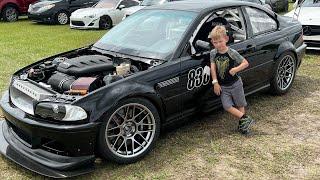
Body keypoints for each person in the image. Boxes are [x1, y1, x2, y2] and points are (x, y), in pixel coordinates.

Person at [209, 25, 254, 134]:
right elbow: (213, 68)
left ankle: (243, 126)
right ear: (212, 42)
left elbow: (245, 63)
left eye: (220, 41)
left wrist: (235, 69)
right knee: (227, 106)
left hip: (235, 84)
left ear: (226, 39)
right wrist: (215, 82)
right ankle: (246, 118)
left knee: (240, 104)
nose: (218, 45)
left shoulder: (232, 52)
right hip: (223, 86)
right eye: (215, 43)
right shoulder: (213, 53)